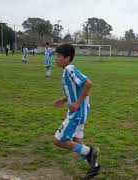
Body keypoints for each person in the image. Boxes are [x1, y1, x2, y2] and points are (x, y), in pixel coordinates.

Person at [53, 44, 101, 178]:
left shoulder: (69, 69)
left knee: (59, 140)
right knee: (76, 140)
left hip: (77, 113)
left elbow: (88, 84)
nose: (56, 59)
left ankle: (90, 151)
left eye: (58, 56)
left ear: (67, 58)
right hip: (78, 111)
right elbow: (77, 90)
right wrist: (63, 100)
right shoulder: (66, 71)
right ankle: (95, 167)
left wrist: (77, 103)